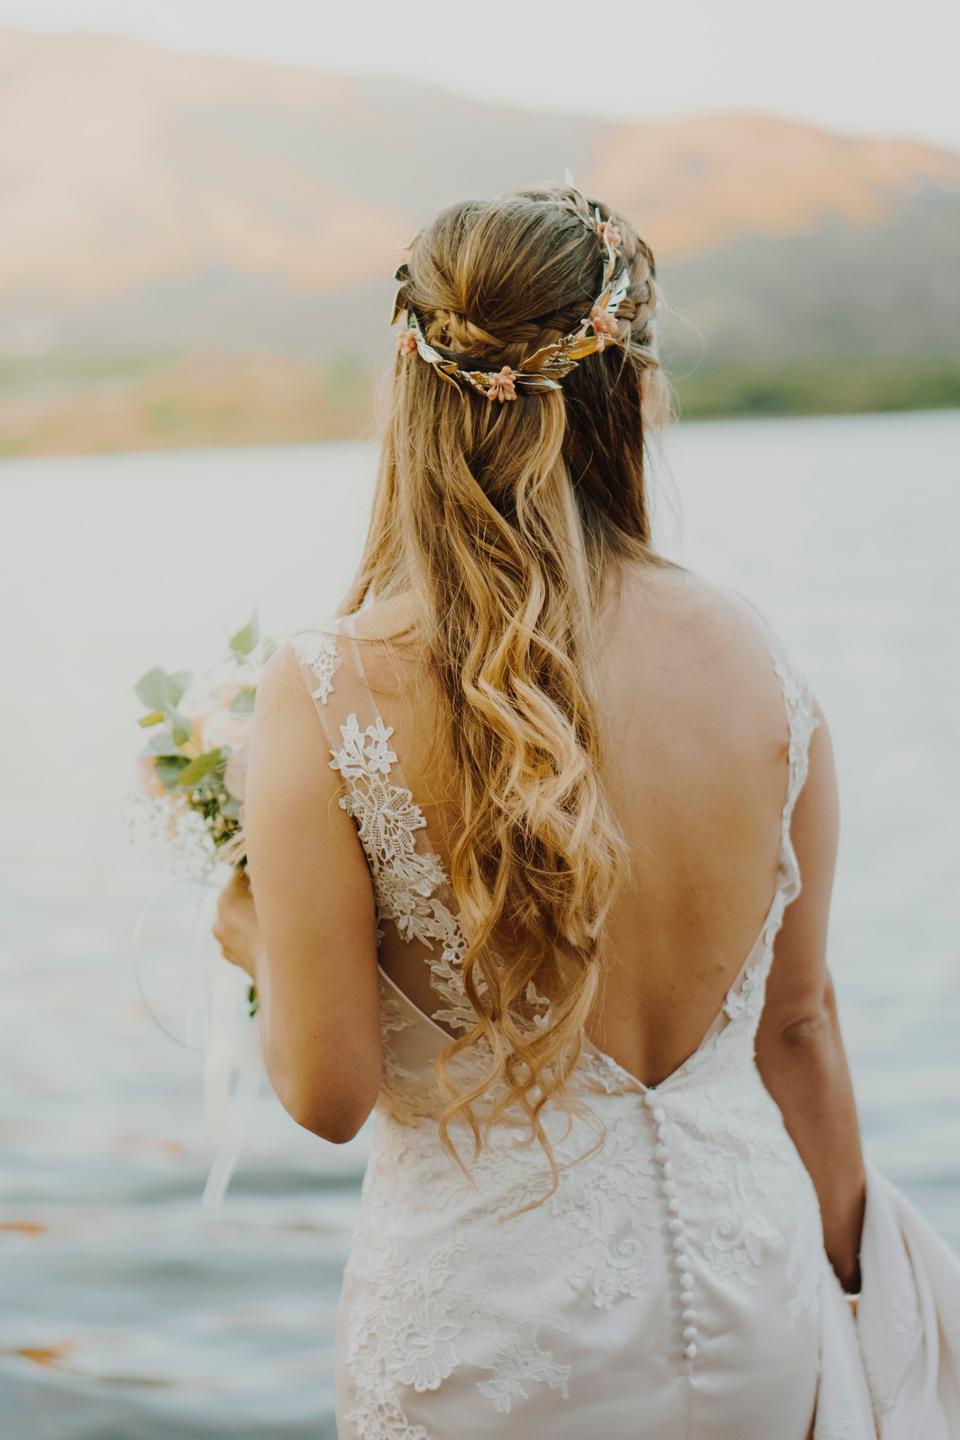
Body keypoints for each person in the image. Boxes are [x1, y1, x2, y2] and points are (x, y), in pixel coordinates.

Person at [212, 184, 960, 1439]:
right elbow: (800, 1028)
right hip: (751, 1290)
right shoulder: (753, 654)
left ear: (410, 385)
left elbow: (328, 1093)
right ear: (632, 388)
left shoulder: (331, 686)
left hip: (495, 1333)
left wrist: (246, 933)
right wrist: (851, 1281)